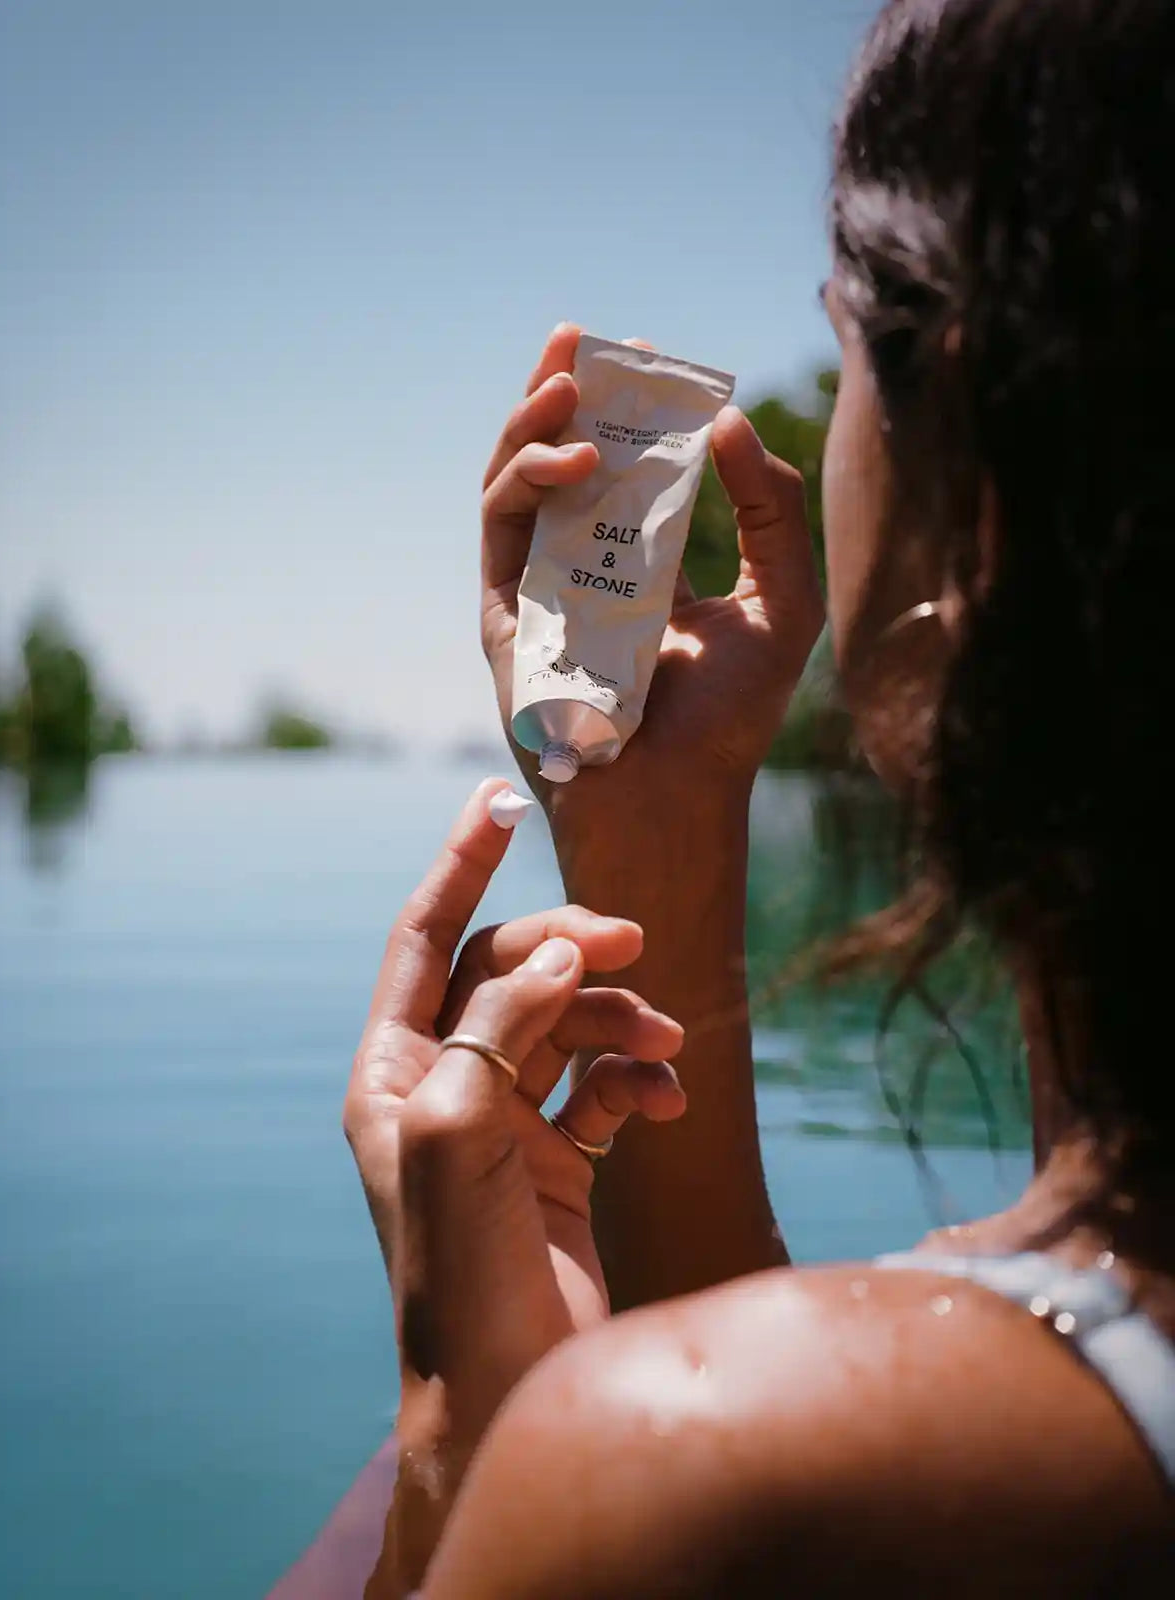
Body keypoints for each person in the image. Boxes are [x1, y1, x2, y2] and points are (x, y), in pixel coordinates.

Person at [273, 1, 1175, 1593]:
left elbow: (718, 1478)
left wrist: (461, 1445)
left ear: (966, 448)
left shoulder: (680, 1480)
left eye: (848, 349)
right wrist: (661, 835)